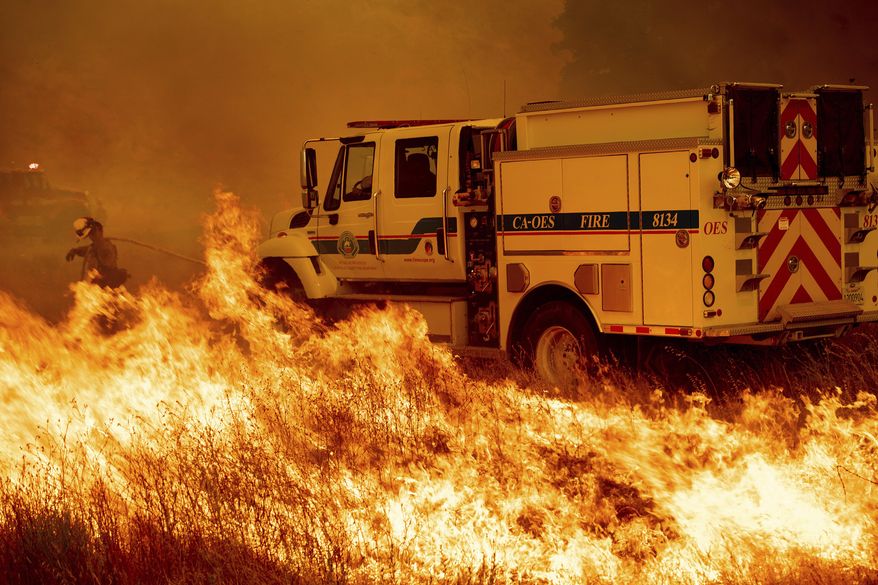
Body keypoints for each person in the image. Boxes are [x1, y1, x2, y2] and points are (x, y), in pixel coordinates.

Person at [65, 216, 129, 288]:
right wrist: (75, 251)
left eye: (93, 233)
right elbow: (88, 250)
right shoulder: (94, 247)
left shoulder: (106, 247)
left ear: (99, 231)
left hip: (108, 285)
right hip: (98, 285)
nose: (91, 237)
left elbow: (106, 263)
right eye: (90, 234)